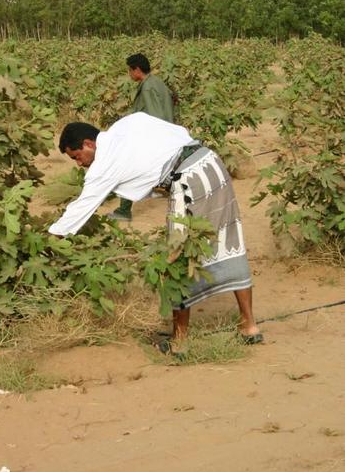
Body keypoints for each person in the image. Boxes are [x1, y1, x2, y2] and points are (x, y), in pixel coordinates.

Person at [48, 112, 263, 349]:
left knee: (175, 258)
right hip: (211, 163)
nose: (79, 164)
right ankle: (249, 325)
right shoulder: (127, 124)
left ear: (89, 144)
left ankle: (179, 341)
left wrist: (51, 239)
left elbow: (81, 207)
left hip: (187, 178)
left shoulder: (105, 163)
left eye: (77, 157)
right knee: (229, 238)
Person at [109, 53, 175, 222]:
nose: (129, 75)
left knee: (129, 169)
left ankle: (124, 211)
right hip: (168, 132)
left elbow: (155, 115)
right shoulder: (157, 82)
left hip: (152, 135)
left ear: (136, 70)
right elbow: (173, 98)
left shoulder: (147, 87)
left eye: (129, 71)